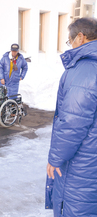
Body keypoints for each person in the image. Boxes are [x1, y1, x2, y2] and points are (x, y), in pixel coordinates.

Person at [46, 18, 97, 216]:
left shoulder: (85, 69)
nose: (71, 45)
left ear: (80, 37)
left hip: (83, 161)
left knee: (76, 206)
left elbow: (73, 121)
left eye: (70, 41)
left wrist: (56, 157)